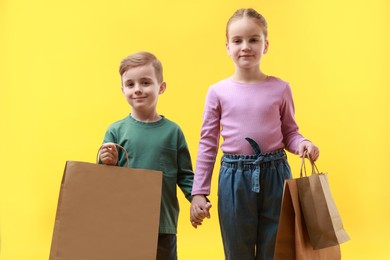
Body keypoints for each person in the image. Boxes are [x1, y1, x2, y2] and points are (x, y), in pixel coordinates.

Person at [189, 8, 320, 260]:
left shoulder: (281, 88)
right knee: (237, 250)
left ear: (266, 45)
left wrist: (303, 143)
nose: (245, 46)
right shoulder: (217, 92)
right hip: (233, 180)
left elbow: (290, 132)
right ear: (227, 46)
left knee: (276, 248)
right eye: (237, 41)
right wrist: (199, 191)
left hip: (276, 175)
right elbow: (208, 143)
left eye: (253, 39)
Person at [99, 51, 194, 260]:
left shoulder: (173, 132)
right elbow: (102, 180)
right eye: (130, 84)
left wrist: (197, 198)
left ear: (161, 87)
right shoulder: (115, 131)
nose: (138, 90)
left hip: (163, 224)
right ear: (122, 89)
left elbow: (186, 174)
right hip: (124, 222)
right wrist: (107, 162)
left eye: (145, 82)